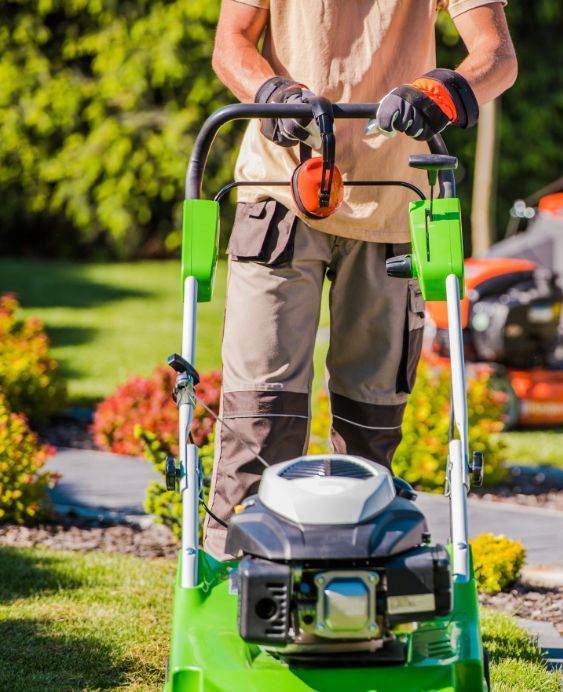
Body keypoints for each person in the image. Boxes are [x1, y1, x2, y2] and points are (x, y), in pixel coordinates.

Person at [205, 0, 517, 557]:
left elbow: (496, 57)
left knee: (369, 422)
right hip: (280, 193)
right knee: (260, 412)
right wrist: (270, 92)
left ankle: (361, 574)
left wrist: (441, 92)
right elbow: (231, 43)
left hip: (393, 202)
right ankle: (232, 576)